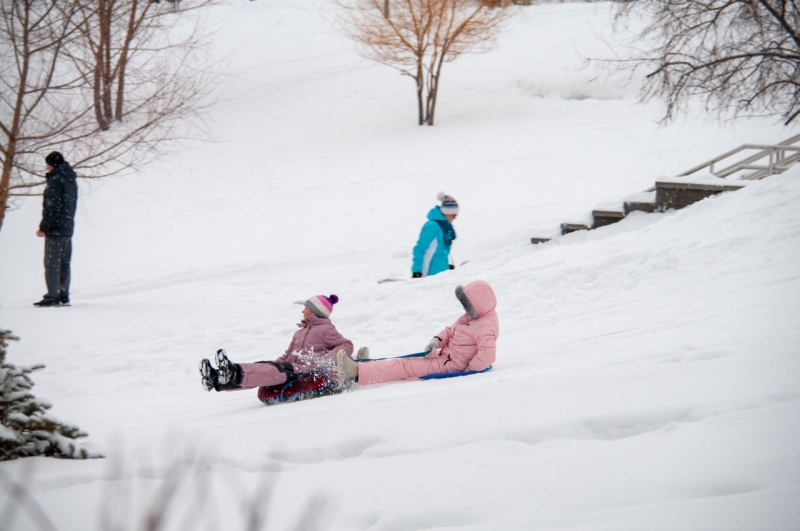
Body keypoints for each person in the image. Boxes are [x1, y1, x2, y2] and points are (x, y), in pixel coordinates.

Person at [337, 280, 498, 385]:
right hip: (443, 356)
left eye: (467, 305)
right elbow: (451, 330)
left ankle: (356, 372)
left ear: (478, 305)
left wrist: (469, 369)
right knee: (407, 360)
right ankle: (366, 365)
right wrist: (437, 340)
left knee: (404, 367)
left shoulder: (485, 326)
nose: (465, 308)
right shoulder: (472, 317)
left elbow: (487, 354)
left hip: (449, 366)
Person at [199, 294, 362, 392]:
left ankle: (233, 371)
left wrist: (327, 359)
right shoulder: (299, 332)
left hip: (305, 370)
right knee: (264, 368)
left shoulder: (325, 329)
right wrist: (272, 364)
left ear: (314, 311)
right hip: (290, 366)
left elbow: (346, 345)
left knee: (269, 371)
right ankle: (218, 379)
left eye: (306, 307)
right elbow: (286, 355)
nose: (302, 310)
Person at [34, 152, 78, 307]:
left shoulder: (56, 180)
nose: (46, 167)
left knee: (52, 262)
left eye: (48, 163)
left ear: (53, 164)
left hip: (56, 228)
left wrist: (43, 227)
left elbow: (52, 208)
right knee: (64, 263)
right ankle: (63, 295)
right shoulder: (70, 179)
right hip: (67, 228)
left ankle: (52, 296)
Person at [411, 192, 458, 279]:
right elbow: (420, 249)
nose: (455, 218)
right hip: (427, 277)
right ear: (446, 212)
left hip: (440, 277)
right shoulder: (432, 226)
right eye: (453, 215)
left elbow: (439, 253)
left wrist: (446, 267)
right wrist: (417, 271)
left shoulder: (445, 228)